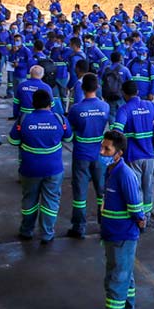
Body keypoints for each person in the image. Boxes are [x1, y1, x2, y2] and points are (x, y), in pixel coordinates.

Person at [89, 130, 147, 309]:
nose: (102, 152)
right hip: (112, 236)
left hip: (122, 237)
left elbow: (136, 208)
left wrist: (139, 223)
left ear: (118, 153)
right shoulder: (110, 171)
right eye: (102, 147)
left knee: (116, 283)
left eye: (107, 149)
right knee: (125, 278)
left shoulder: (125, 174)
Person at [10, 88, 71, 244]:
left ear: (33, 103)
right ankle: (47, 233)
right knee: (51, 200)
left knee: (29, 199)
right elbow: (69, 137)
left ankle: (26, 230)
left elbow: (13, 141)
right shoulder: (59, 119)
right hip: (53, 169)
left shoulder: (23, 119)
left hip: (29, 169)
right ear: (50, 103)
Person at [112, 79, 154, 219]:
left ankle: (138, 218)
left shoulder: (124, 110)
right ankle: (147, 215)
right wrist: (153, 131)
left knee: (135, 188)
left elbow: (117, 132)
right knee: (148, 187)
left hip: (133, 156)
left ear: (123, 94)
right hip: (149, 155)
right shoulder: (150, 105)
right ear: (137, 92)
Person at [66, 73, 110, 237]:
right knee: (102, 191)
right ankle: (104, 223)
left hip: (81, 153)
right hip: (100, 153)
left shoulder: (76, 109)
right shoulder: (104, 107)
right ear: (97, 87)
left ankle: (79, 227)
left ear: (82, 88)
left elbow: (69, 134)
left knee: (80, 192)